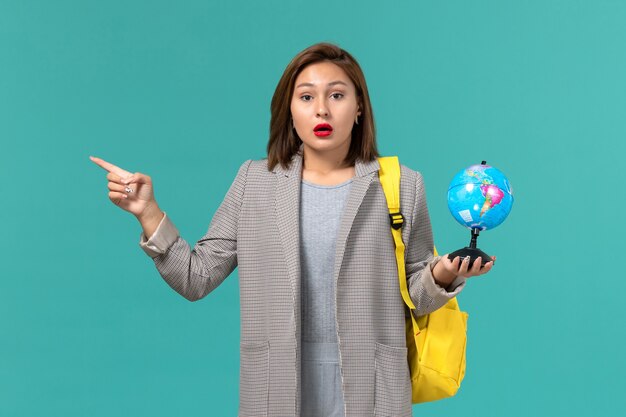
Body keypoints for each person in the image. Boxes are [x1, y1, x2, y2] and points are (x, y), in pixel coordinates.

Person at [90, 42, 495, 417]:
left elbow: (416, 297)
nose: (322, 109)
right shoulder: (254, 182)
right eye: (306, 96)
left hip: (373, 390)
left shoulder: (402, 184)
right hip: (277, 389)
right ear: (290, 110)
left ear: (358, 108)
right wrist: (148, 212)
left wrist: (446, 273)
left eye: (337, 95)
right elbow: (196, 278)